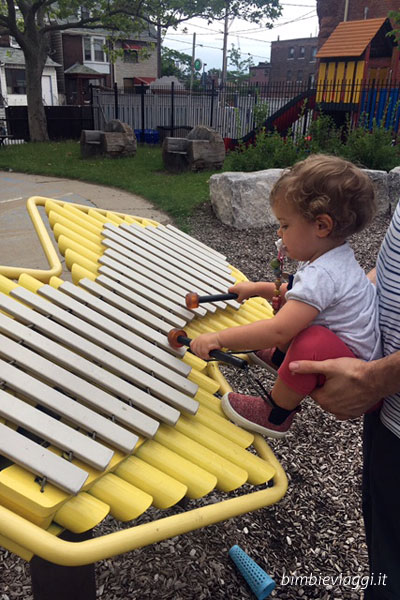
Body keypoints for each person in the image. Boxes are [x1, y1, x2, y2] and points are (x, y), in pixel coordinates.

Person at [190, 154, 381, 438]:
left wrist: (218, 339)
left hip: (350, 377)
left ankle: (275, 413)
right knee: (300, 314)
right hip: (353, 358)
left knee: (311, 339)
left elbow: (279, 330)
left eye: (285, 225)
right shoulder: (334, 258)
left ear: (321, 226)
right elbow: (298, 295)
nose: (279, 233)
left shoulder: (323, 274)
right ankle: (281, 360)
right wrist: (258, 288)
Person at [287, 202, 400, 599]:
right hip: (390, 413)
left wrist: (374, 377)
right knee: (385, 554)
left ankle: (275, 411)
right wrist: (350, 298)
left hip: (387, 393)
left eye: (283, 225)